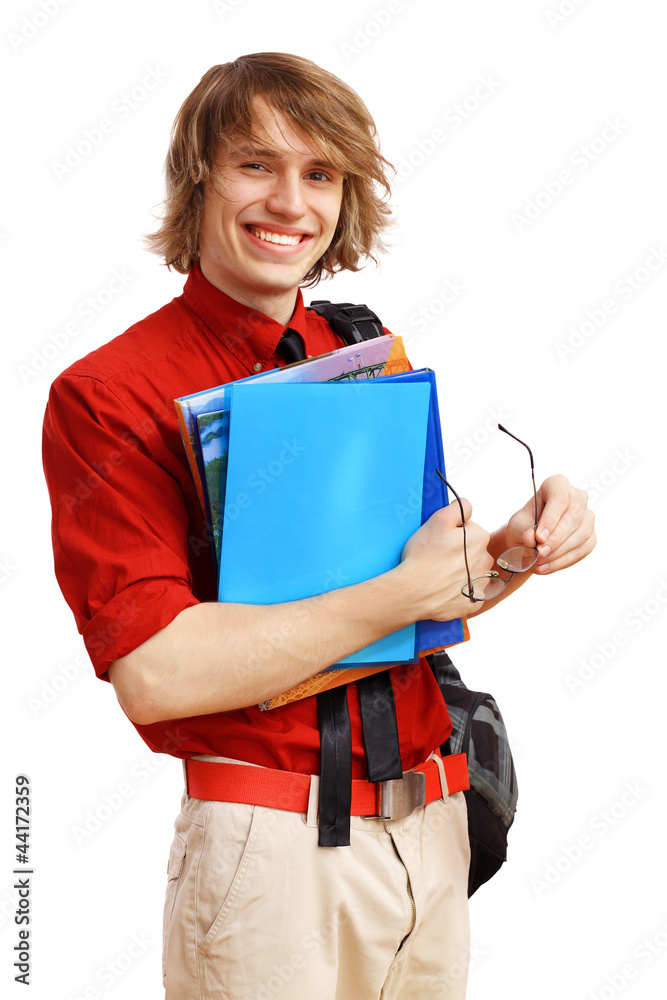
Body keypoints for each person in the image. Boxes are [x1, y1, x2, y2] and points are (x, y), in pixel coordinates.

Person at [42, 52, 596, 999]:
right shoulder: (108, 393)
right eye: (255, 164)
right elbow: (155, 674)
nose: (290, 202)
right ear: (199, 179)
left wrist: (512, 551)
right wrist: (402, 590)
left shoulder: (359, 348)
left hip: (431, 833)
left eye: (320, 173)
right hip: (273, 854)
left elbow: (421, 603)